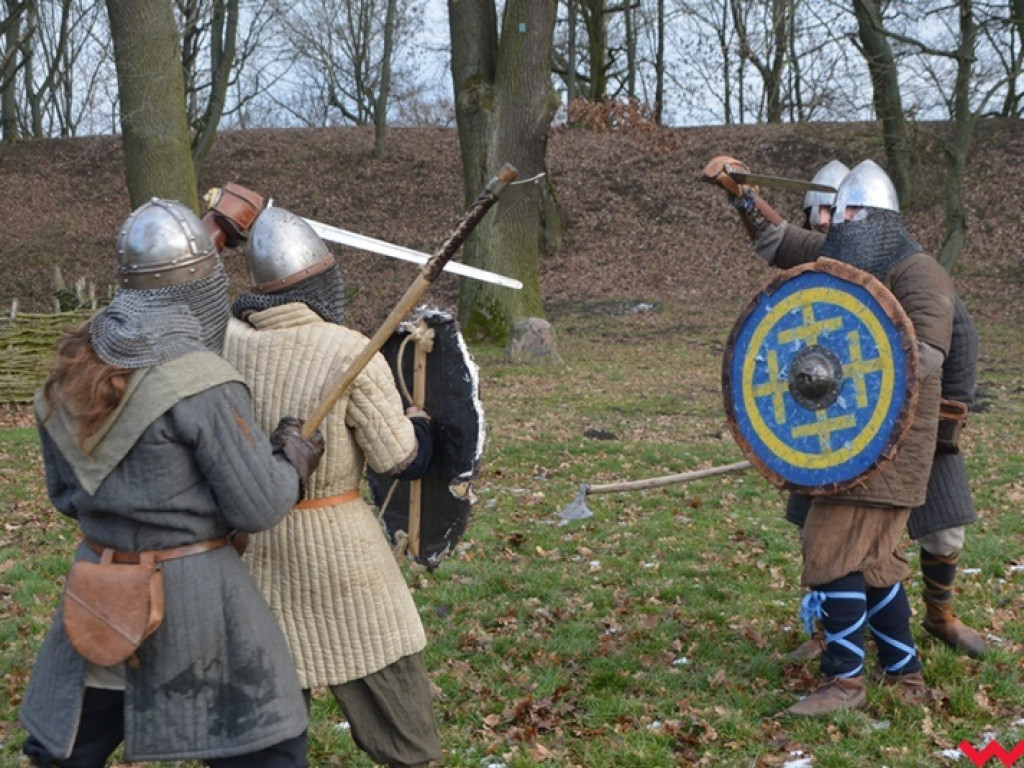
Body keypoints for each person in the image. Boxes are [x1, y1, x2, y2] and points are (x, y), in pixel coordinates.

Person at [19, 199, 325, 767]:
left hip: (101, 589)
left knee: (62, 753)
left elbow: (64, 496)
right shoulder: (201, 379)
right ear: (201, 286)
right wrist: (292, 462)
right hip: (199, 603)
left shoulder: (70, 366)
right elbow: (258, 505)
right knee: (268, 751)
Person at [707, 156, 987, 662]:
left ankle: (872, 660)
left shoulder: (920, 273)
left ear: (878, 218)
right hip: (844, 431)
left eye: (848, 214)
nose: (833, 224)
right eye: (834, 214)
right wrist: (740, 193)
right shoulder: (844, 253)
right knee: (869, 557)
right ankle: (891, 665)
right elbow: (779, 242)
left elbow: (919, 357)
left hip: (910, 432)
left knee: (866, 545)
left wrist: (842, 375)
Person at [223, 205, 443, 768]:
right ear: (323, 281)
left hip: (249, 547)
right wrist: (418, 424)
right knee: (406, 733)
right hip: (340, 557)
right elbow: (397, 457)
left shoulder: (224, 341)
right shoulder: (349, 350)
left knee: (259, 738)